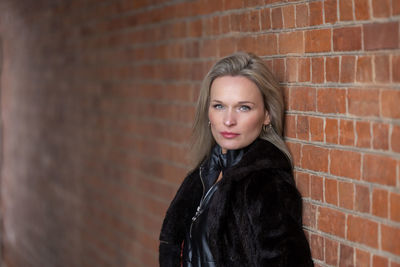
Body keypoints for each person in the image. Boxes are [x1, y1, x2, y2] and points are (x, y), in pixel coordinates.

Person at [159, 52, 313, 267]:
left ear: (267, 115)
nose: (229, 120)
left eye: (244, 107)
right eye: (219, 106)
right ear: (208, 113)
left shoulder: (266, 183)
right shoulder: (205, 174)